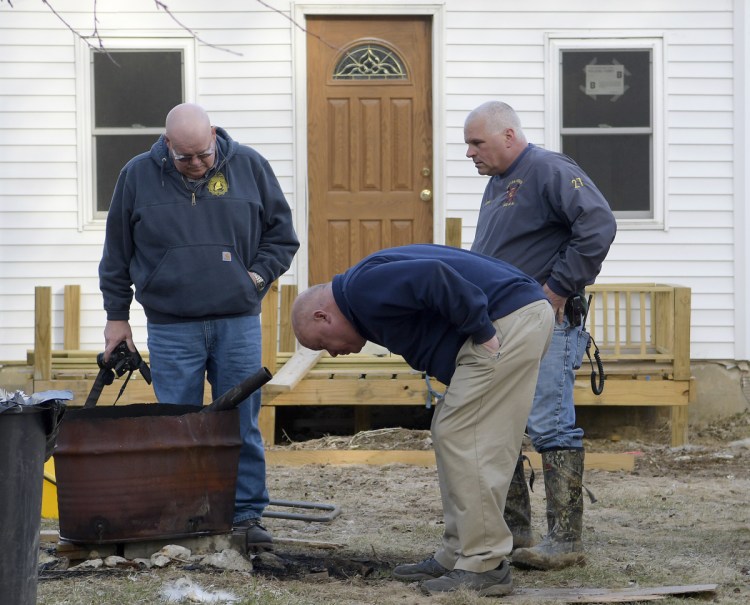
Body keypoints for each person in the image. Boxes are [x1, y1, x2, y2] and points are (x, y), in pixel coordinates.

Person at [292, 244, 554, 596]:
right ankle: (458, 553)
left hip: (507, 321)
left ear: (323, 316)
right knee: (449, 430)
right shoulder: (362, 294)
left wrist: (481, 328)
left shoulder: (361, 289)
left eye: (324, 344)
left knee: (464, 436)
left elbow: (433, 276)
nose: (333, 352)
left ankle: (484, 564)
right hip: (513, 316)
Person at [98, 102, 299, 552]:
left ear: (214, 135)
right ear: (167, 144)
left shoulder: (249, 165)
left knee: (241, 420)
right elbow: (116, 253)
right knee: (179, 424)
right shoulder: (136, 175)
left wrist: (257, 276)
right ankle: (184, 515)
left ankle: (246, 516)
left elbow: (282, 236)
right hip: (172, 326)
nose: (195, 165)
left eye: (203, 155)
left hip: (238, 320)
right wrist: (117, 318)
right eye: (184, 157)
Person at [464, 100, 617, 570]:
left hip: (546, 321)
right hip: (503, 325)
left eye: (477, 142)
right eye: (468, 144)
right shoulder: (497, 183)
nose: (470, 153)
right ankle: (515, 531)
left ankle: (565, 539)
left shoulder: (548, 168)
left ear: (508, 135)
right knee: (502, 423)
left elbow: (598, 225)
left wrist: (556, 289)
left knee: (549, 423)